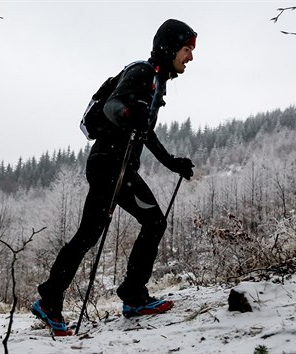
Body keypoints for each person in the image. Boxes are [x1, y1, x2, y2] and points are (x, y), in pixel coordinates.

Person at [32, 19, 197, 335]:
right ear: (169, 47)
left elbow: (145, 132)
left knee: (88, 234)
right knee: (153, 222)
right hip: (112, 166)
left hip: (108, 164)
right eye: (186, 49)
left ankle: (50, 298)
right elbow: (112, 106)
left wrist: (172, 163)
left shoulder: (155, 82)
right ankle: (133, 296)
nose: (190, 57)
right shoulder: (143, 73)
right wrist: (126, 113)